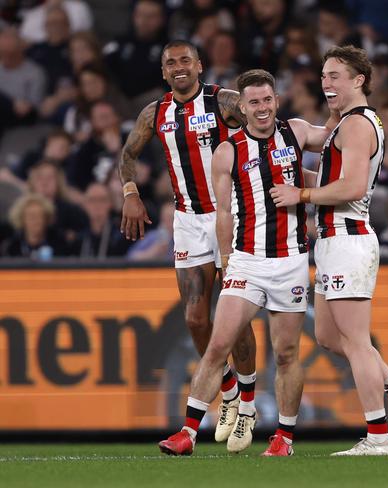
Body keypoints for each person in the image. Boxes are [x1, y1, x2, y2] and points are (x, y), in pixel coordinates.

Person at [158, 68, 335, 457]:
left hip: (290, 260)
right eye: (253, 101)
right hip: (247, 261)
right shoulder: (229, 150)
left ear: (277, 100)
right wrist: (226, 260)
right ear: (241, 105)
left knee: (287, 352)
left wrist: (351, 104)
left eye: (267, 100)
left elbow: (339, 139)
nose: (261, 108)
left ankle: (284, 439)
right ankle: (188, 432)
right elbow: (223, 213)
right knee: (218, 343)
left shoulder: (298, 131)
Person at [270, 45, 388, 455]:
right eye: (324, 76)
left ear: (359, 80)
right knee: (326, 335)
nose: (326, 83)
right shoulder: (347, 124)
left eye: (335, 75)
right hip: (331, 241)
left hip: (347, 237)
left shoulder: (357, 125)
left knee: (357, 340)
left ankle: (378, 436)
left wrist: (300, 193)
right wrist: (290, 176)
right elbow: (333, 177)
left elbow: (353, 187)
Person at [118, 39, 257, 447]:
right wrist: (130, 191)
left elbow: (267, 124)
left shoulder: (224, 101)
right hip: (188, 221)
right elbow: (128, 154)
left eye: (185, 60)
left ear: (199, 65)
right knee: (196, 319)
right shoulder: (155, 112)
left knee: (236, 317)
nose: (178, 67)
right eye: (170, 63)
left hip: (232, 216)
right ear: (163, 72)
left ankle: (247, 402)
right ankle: (229, 389)